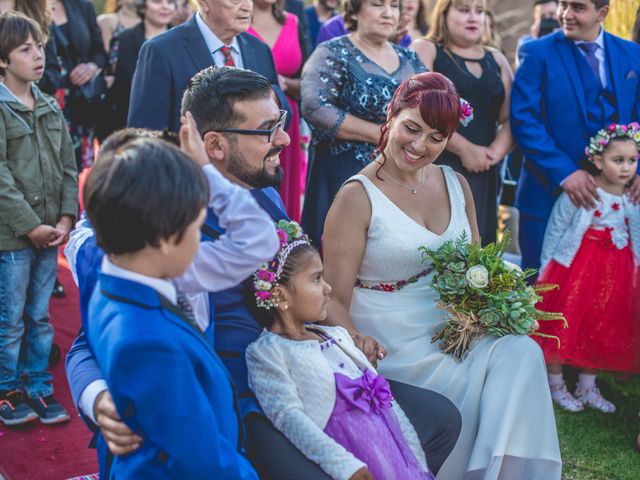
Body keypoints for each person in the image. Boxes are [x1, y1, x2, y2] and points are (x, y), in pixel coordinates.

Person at [66, 67, 461, 480]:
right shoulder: (160, 224)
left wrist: (347, 336)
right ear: (215, 145)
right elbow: (92, 337)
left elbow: (295, 278)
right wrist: (100, 399)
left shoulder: (267, 195)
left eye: (282, 123)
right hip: (236, 393)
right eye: (268, 129)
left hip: (304, 359)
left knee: (440, 419)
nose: (286, 139)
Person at [323, 72, 562, 479]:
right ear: (392, 115)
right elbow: (331, 298)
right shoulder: (356, 197)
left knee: (522, 352)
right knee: (470, 374)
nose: (419, 146)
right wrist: (357, 340)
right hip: (388, 330)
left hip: (451, 320)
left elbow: (475, 267)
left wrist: (491, 307)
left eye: (436, 137)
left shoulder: (456, 184)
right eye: (411, 128)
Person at [82, 136, 259, 479]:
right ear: (163, 238)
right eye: (196, 229)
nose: (203, 241)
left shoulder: (112, 283)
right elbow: (203, 461)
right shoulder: (148, 343)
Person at [246, 221, 435, 480]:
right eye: (316, 279)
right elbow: (288, 416)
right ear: (280, 296)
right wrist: (345, 466)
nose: (328, 288)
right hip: (351, 458)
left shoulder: (336, 335)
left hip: (393, 456)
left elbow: (387, 404)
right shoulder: (268, 353)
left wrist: (415, 456)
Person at [511, 0, 640, 273]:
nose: (566, 15)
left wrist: (636, 170)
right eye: (563, 5)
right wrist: (565, 173)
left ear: (602, 13)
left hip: (618, 199)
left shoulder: (632, 54)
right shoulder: (535, 52)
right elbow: (524, 119)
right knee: (539, 288)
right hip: (546, 192)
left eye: (578, 7)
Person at [0, 12, 77, 426]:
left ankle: (38, 385)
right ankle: (7, 390)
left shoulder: (48, 104)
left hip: (50, 234)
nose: (38, 56)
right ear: (3, 60)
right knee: (10, 319)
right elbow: (1, 179)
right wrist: (30, 225)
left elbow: (69, 164)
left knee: (40, 314)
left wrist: (66, 217)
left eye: (40, 47)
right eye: (25, 49)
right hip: (13, 238)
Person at [301, 0, 426, 246]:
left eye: (394, 6)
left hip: (396, 176)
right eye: (378, 4)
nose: (388, 13)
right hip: (342, 174)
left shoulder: (410, 59)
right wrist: (381, 134)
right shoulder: (332, 52)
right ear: (354, 10)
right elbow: (315, 107)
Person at [534, 123, 640, 413]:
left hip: (615, 272)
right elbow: (556, 229)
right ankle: (555, 384)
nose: (626, 168)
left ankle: (587, 386)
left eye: (632, 161)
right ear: (597, 160)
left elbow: (637, 235)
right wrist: (546, 270)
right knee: (564, 321)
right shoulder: (583, 192)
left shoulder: (632, 198)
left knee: (598, 323)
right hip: (576, 268)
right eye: (618, 160)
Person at [411, 0, 514, 245]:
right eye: (464, 10)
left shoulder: (496, 58)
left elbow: (512, 117)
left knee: (479, 249)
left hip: (485, 172)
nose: (473, 18)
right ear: (444, 13)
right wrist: (465, 149)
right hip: (437, 164)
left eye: (479, 11)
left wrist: (492, 154)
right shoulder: (426, 49)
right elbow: (418, 107)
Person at [127, 0, 290, 133]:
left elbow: (282, 118)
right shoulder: (161, 51)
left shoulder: (259, 49)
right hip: (190, 170)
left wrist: (266, 97)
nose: (247, 6)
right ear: (204, 3)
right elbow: (146, 134)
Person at [248, 0, 306, 221]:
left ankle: (287, 240)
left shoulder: (293, 21)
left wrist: (286, 85)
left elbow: (307, 80)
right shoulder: (238, 22)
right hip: (252, 122)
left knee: (284, 182)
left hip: (286, 118)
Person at [98, 0, 176, 139]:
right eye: (157, 1)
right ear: (143, 6)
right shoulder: (123, 40)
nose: (165, 6)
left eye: (170, 2)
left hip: (173, 129)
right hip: (127, 125)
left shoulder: (182, 40)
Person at [50, 0, 107, 170]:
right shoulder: (25, 7)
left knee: (73, 170)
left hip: (81, 102)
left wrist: (90, 67)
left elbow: (99, 52)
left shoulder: (82, 6)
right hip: (45, 99)